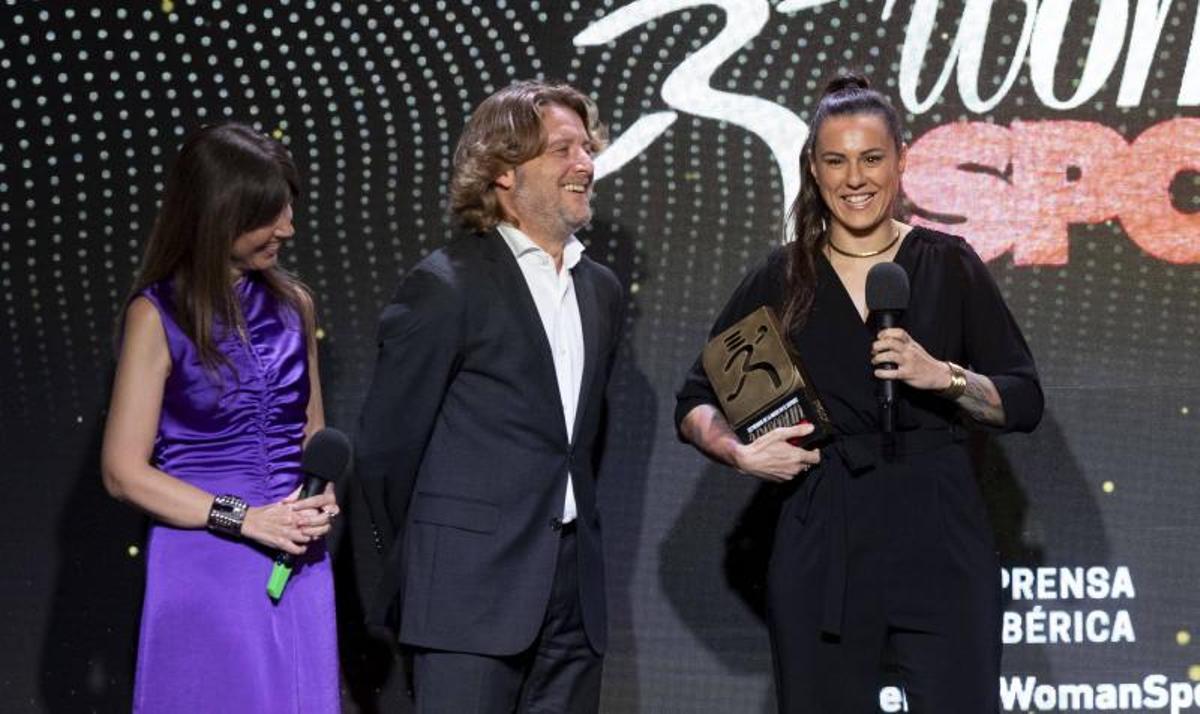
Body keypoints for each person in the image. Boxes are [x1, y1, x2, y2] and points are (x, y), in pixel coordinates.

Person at [676, 75, 1043, 712]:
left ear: (901, 161)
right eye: (836, 160)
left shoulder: (948, 265)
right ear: (813, 170)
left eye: (871, 158)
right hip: (825, 538)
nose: (855, 178)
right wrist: (740, 454)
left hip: (941, 539)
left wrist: (946, 376)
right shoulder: (783, 275)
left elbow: (1024, 400)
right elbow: (694, 401)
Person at [355, 80, 622, 714]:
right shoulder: (445, 285)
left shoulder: (601, 291)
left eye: (586, 148)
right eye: (562, 150)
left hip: (571, 604)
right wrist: (439, 561)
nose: (584, 164)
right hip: (466, 599)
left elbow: (579, 444)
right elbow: (385, 453)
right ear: (503, 171)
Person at [100, 122, 340, 713]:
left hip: (297, 560)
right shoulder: (157, 315)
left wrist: (319, 499)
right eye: (269, 215)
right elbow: (123, 472)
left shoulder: (293, 305)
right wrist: (244, 519)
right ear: (217, 215)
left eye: (288, 208)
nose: (287, 228)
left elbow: (314, 436)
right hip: (206, 562)